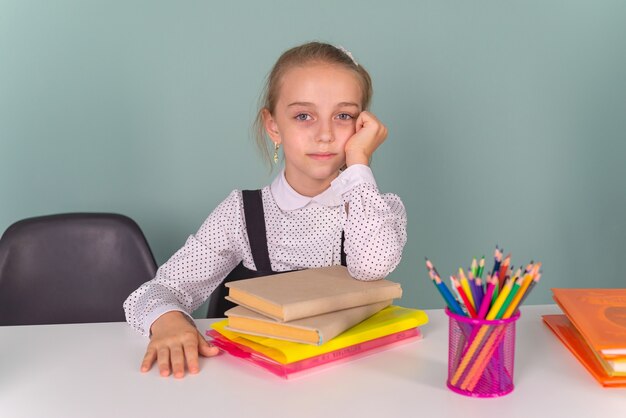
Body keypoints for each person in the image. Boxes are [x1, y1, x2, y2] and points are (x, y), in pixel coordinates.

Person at [123, 41, 407, 378]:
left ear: (363, 126)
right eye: (304, 116)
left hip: (352, 380)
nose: (325, 134)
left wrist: (359, 163)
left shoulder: (375, 207)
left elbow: (373, 264)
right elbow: (158, 290)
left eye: (343, 116)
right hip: (258, 385)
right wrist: (169, 321)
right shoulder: (242, 213)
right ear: (273, 126)